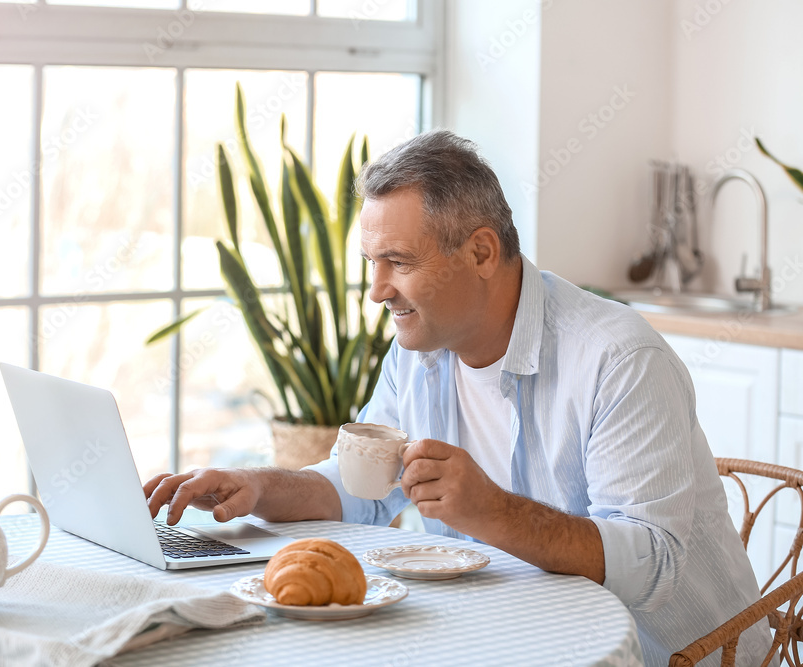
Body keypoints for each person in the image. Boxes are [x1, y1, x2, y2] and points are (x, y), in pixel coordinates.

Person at [145, 130, 768, 666]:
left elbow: (651, 566)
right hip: (513, 637)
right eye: (371, 262)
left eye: (398, 262)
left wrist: (492, 511)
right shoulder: (420, 348)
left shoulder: (619, 359)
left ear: (481, 252)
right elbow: (365, 487)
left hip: (672, 653)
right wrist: (258, 487)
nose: (376, 291)